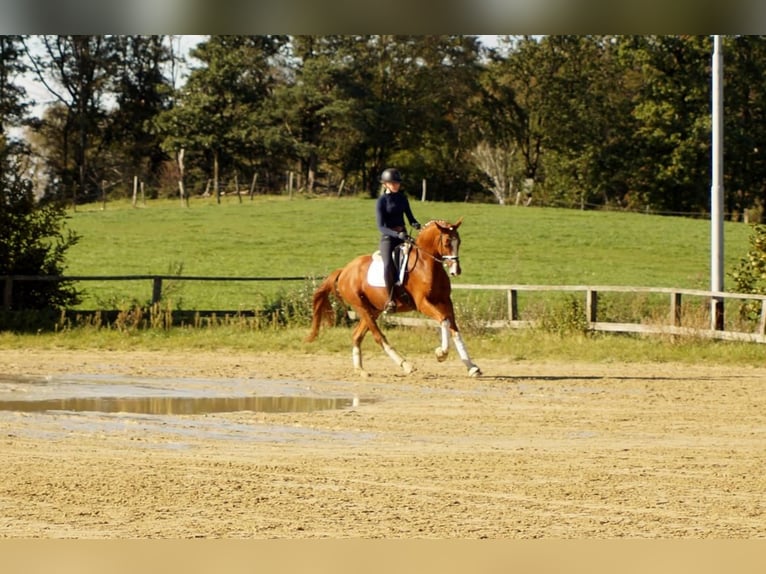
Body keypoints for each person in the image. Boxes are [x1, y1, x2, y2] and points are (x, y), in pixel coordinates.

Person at [376, 168, 421, 313]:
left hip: (403, 235)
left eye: (397, 183)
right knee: (388, 264)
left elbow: (410, 218)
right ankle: (390, 300)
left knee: (417, 260)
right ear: (385, 184)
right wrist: (397, 235)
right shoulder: (381, 201)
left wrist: (416, 224)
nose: (396, 185)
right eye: (392, 183)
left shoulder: (402, 198)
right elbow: (381, 227)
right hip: (388, 238)